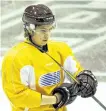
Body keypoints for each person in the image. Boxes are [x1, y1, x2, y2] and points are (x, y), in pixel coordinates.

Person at [2, 4, 97, 111]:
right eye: (42, 30)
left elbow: (76, 71)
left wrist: (84, 78)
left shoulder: (61, 49)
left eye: (49, 29)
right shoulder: (15, 58)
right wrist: (55, 99)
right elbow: (17, 96)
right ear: (30, 29)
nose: (47, 35)